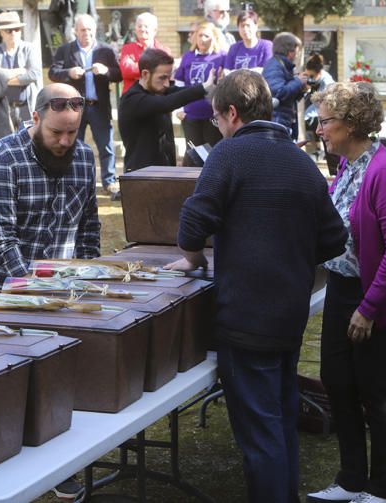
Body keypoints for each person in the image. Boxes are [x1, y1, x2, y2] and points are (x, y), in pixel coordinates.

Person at [164, 70, 347, 503]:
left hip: (246, 315)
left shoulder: (228, 155)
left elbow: (193, 224)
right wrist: (291, 255)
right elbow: (334, 237)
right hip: (289, 312)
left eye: (215, 119)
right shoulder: (302, 161)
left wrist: (190, 259)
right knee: (280, 418)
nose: (217, 127)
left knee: (261, 430)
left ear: (231, 112)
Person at [306, 82, 386, 503]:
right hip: (342, 288)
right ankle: (352, 479)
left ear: (351, 125)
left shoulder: (384, 171)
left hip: (378, 297)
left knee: (374, 391)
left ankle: (383, 489)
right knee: (338, 383)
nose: (320, 129)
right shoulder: (348, 164)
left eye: (326, 121)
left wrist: (368, 309)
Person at [0, 83, 101, 296]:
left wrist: (88, 277)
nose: (65, 141)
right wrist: (30, 285)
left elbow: (88, 227)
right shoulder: (2, 157)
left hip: (61, 287)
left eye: (72, 132)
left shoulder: (84, 157)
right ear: (36, 118)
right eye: (56, 132)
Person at [49, 14, 122, 197]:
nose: (86, 33)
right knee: (72, 144)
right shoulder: (65, 50)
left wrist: (106, 71)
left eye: (89, 29)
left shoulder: (106, 50)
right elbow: (53, 72)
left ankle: (109, 181)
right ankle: (75, 180)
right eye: (82, 30)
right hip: (74, 107)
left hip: (99, 105)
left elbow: (118, 74)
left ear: (95, 30)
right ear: (75, 31)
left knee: (105, 145)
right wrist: (69, 73)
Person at [119, 48, 215, 171]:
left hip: (163, 171)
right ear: (145, 74)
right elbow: (167, 103)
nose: (166, 84)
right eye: (162, 78)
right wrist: (204, 87)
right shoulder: (133, 99)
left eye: (169, 78)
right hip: (140, 174)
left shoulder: (158, 90)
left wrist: (210, 88)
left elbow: (181, 91)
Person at [0, 11, 42, 132]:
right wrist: (21, 71)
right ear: (1, 32)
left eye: (17, 29)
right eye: (9, 30)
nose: (13, 33)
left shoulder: (29, 48)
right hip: (4, 108)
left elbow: (34, 74)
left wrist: (4, 78)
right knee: (7, 143)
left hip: (26, 106)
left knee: (29, 142)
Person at [174, 21, 225, 148]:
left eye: (206, 36)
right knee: (193, 154)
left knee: (212, 153)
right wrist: (179, 109)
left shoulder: (221, 56)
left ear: (214, 37)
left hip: (212, 115)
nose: (202, 39)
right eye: (200, 35)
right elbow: (179, 82)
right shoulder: (188, 56)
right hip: (190, 114)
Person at [263, 32, 309, 138]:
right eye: (297, 50)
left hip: (283, 122)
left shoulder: (281, 65)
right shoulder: (274, 66)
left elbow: (289, 97)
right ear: (290, 51)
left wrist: (302, 89)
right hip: (277, 124)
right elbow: (278, 93)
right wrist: (297, 81)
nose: (298, 54)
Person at [119, 13, 171, 95]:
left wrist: (136, 66)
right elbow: (126, 71)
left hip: (156, 98)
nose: (142, 29)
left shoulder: (164, 51)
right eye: (139, 26)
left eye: (146, 26)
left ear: (154, 30)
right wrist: (154, 67)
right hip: (133, 98)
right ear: (135, 29)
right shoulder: (127, 49)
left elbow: (164, 74)